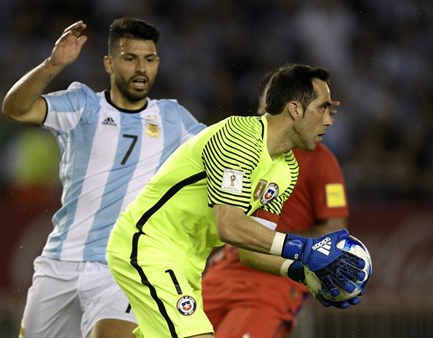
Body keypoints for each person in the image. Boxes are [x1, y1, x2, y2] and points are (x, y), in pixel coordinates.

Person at [106, 63, 365, 338]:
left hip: (188, 263)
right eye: (323, 108)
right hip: (149, 245)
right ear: (295, 109)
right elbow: (229, 225)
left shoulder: (286, 169)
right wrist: (303, 248)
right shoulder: (239, 137)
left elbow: (249, 250)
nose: (329, 120)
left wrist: (301, 272)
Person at [1, 17, 206, 338]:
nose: (141, 68)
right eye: (130, 58)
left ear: (157, 64)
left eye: (149, 59)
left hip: (124, 263)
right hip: (60, 261)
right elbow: (15, 109)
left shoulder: (173, 118)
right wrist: (52, 65)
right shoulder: (83, 105)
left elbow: (221, 152)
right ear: (109, 63)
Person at [201, 73, 350, 337]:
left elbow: (333, 231)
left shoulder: (320, 164)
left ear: (293, 109)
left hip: (273, 281)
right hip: (227, 269)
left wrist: (298, 251)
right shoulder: (247, 148)